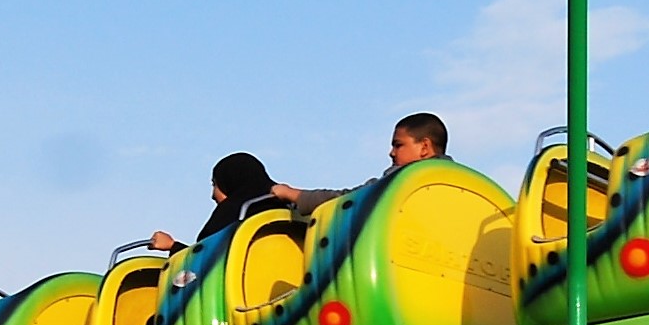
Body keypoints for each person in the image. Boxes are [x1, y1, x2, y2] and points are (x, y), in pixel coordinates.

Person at [271, 113, 450, 217]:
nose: (392, 153)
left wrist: (291, 194)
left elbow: (346, 202)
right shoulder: (460, 189)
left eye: (398, 145)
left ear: (424, 147)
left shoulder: (400, 182)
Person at [151, 153, 291, 254]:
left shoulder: (233, 216)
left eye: (215, 184)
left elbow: (206, 265)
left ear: (230, 182)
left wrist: (173, 246)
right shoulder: (290, 212)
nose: (213, 195)